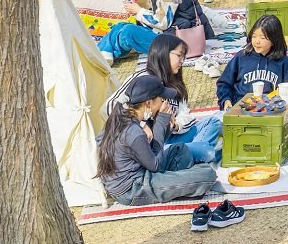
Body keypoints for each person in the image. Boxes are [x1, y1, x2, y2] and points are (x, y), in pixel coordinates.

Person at [96, 74, 225, 212]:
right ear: (148, 103)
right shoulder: (134, 131)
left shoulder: (121, 115)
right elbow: (155, 165)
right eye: (161, 99)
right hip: (133, 188)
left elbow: (148, 152)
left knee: (180, 150)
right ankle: (181, 183)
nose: (164, 102)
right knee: (206, 175)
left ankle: (179, 182)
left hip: (141, 169)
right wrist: (161, 122)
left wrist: (166, 126)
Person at [107, 34, 221, 163]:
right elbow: (110, 105)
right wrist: (140, 125)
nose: (182, 61)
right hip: (149, 146)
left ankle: (189, 154)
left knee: (213, 122)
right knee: (208, 151)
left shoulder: (175, 84)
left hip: (170, 138)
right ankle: (193, 154)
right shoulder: (142, 78)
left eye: (183, 56)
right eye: (179, 55)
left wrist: (176, 125)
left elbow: (185, 114)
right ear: (163, 53)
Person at [216, 14, 288, 107]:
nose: (257, 41)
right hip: (241, 108)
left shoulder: (282, 60)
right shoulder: (241, 57)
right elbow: (224, 83)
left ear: (274, 40)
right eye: (254, 36)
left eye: (262, 38)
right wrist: (226, 100)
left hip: (271, 109)